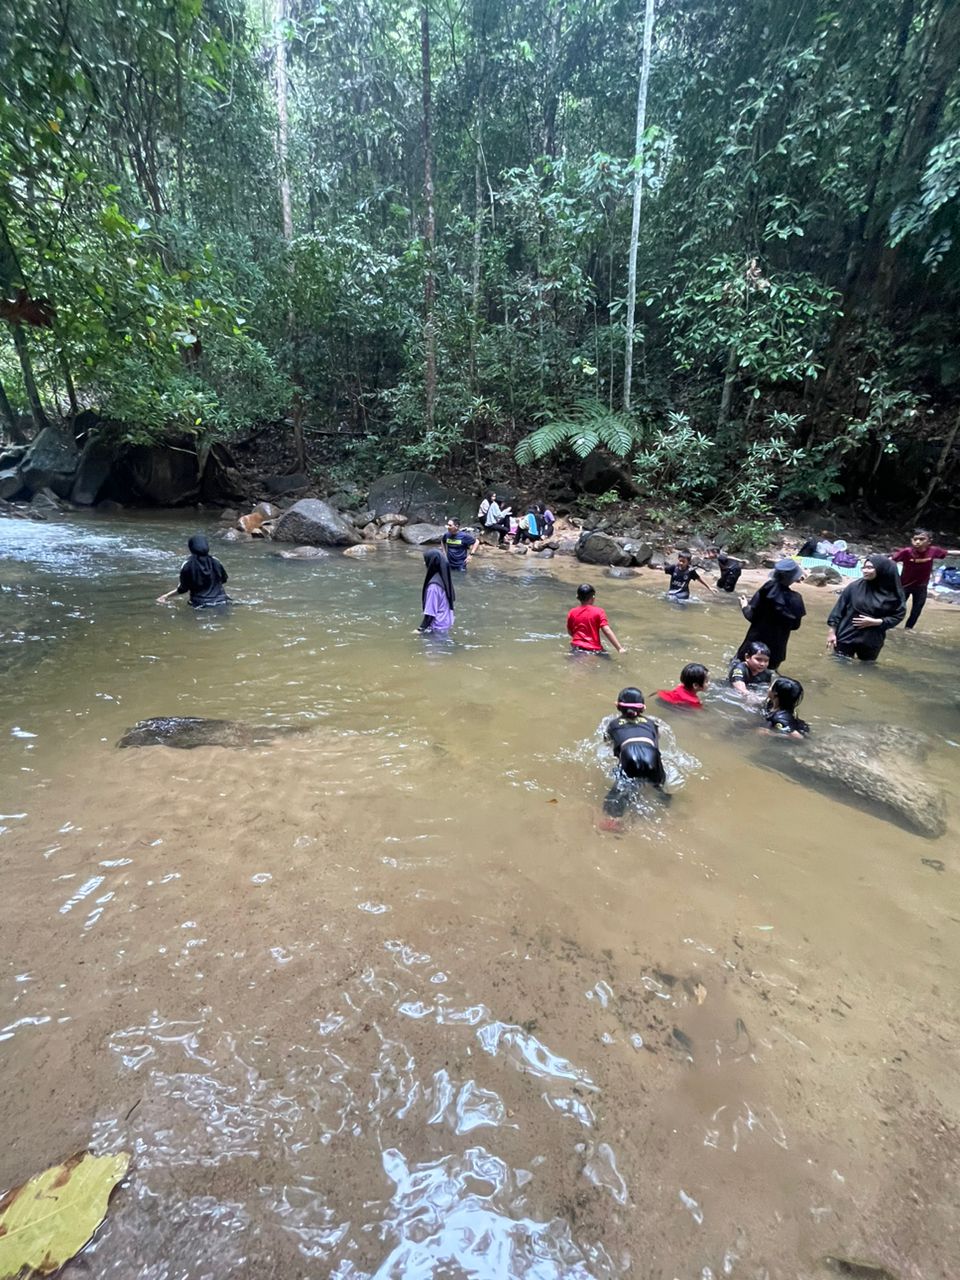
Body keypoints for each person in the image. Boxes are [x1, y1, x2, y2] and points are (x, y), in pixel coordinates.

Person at [602, 687, 666, 820]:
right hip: (652, 755)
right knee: (658, 786)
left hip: (629, 753)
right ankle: (666, 803)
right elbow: (657, 738)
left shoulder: (613, 724)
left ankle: (613, 819)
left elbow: (608, 744)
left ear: (617, 706)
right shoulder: (652, 723)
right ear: (643, 708)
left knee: (621, 788)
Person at [826, 555, 906, 660]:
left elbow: (898, 616)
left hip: (871, 641)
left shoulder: (894, 593)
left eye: (870, 568)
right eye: (864, 567)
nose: (865, 571)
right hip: (846, 636)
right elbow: (838, 609)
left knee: (867, 667)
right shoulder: (854, 587)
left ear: (882, 570)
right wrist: (832, 632)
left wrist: (876, 622)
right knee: (839, 663)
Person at [736, 558, 806, 669]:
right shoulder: (796, 599)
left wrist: (744, 606)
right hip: (775, 652)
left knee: (739, 673)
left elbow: (751, 616)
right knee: (765, 677)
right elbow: (795, 626)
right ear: (793, 578)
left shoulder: (766, 590)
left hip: (752, 648)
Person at [890, 529, 948, 630]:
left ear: (929, 541)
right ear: (911, 540)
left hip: (921, 587)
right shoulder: (906, 552)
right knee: (897, 608)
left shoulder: (933, 551)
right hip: (904, 585)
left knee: (916, 611)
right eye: (915, 539)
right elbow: (890, 561)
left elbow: (948, 553)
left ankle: (908, 629)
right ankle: (889, 626)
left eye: (921, 539)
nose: (917, 542)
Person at [156, 534, 229, 608]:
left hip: (200, 604)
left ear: (191, 548)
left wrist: (166, 596)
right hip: (222, 601)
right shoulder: (216, 561)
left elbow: (183, 589)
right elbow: (224, 579)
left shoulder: (188, 564)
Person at [566, 583, 625, 655]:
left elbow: (570, 632)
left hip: (576, 648)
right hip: (593, 649)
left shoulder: (572, 612)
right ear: (593, 598)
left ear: (577, 597)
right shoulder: (599, 611)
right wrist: (619, 648)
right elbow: (606, 630)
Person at [417, 550, 455, 632]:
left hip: (437, 629)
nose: (424, 563)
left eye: (426, 560)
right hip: (445, 624)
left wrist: (419, 630)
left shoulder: (433, 587)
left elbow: (430, 615)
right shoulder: (444, 579)